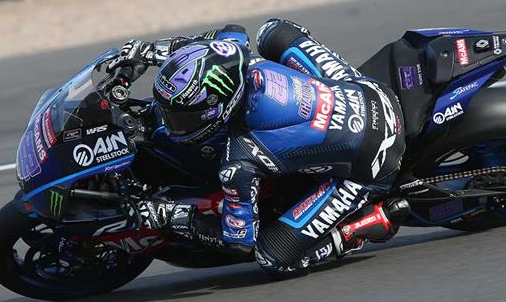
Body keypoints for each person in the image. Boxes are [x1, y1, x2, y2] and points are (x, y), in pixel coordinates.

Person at [111, 19, 409, 274]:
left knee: (272, 257)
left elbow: (239, 241)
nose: (169, 121)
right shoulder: (238, 53)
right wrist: (149, 53)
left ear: (219, 107)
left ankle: (363, 226)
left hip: (374, 157)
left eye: (179, 117)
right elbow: (228, 34)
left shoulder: (241, 158)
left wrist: (169, 216)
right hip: (362, 89)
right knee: (271, 30)